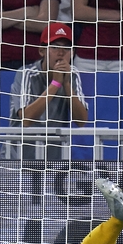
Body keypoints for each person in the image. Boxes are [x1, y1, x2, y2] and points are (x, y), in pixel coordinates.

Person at [9, 22, 87, 160]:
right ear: (42, 51)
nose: (61, 52)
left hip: (55, 159)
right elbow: (26, 119)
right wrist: (55, 84)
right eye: (55, 46)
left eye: (67, 48)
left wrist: (67, 84)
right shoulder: (26, 73)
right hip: (21, 158)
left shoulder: (72, 74)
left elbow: (81, 121)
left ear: (73, 53)